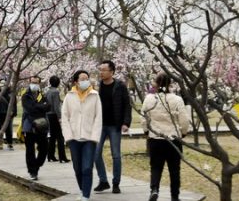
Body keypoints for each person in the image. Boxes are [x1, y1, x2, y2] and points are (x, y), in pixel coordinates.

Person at [141, 72, 191, 201]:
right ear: (170, 84)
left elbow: (144, 118)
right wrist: (183, 132)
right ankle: (175, 196)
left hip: (155, 138)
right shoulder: (177, 99)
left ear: (156, 84)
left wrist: (147, 131)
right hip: (173, 138)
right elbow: (184, 119)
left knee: (156, 167)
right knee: (174, 170)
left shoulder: (149, 99)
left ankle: (154, 189)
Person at [61, 70, 102, 201]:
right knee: (77, 168)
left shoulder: (95, 95)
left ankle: (86, 195)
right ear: (76, 82)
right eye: (82, 79)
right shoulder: (69, 96)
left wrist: (95, 137)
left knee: (87, 167)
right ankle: (82, 188)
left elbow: (98, 117)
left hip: (89, 138)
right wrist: (68, 136)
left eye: (87, 78)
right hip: (73, 138)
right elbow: (65, 117)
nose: (85, 81)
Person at [93, 59, 132, 194]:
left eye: (104, 70)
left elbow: (127, 104)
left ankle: (116, 183)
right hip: (100, 125)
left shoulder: (120, 86)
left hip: (115, 125)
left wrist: (126, 122)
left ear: (112, 72)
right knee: (95, 153)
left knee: (116, 155)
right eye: (100, 70)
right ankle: (103, 181)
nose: (101, 72)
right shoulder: (98, 86)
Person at [21, 76, 50, 180]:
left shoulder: (42, 95)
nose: (34, 84)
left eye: (36, 82)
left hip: (41, 125)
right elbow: (29, 109)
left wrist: (37, 107)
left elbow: (48, 107)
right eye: (33, 82)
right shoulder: (25, 95)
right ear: (29, 82)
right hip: (29, 126)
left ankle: (37, 165)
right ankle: (32, 171)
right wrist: (41, 107)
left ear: (39, 83)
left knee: (44, 148)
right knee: (30, 150)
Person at [45, 75, 69, 162]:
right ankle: (62, 157)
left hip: (48, 115)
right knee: (60, 137)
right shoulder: (55, 92)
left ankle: (50, 155)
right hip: (54, 115)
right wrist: (59, 117)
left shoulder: (48, 91)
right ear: (58, 83)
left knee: (53, 136)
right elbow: (56, 106)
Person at [0, 83, 14, 150]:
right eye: (1, 84)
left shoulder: (10, 93)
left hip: (7, 114)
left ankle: (9, 143)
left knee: (8, 130)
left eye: (4, 84)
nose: (2, 86)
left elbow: (14, 104)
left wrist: (13, 112)